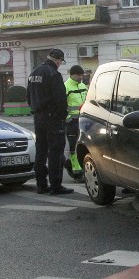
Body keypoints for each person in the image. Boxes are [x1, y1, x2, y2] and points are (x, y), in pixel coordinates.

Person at [26, 49, 72, 195]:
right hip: (53, 118)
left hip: (38, 117)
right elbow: (60, 99)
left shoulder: (34, 73)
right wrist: (62, 116)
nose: (60, 64)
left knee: (41, 151)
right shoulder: (53, 74)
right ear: (58, 60)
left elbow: (28, 96)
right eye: (61, 62)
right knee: (55, 152)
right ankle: (56, 185)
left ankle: (41, 185)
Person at [64, 64, 88, 183]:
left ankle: (74, 166)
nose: (80, 77)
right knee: (73, 147)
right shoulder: (65, 87)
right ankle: (76, 171)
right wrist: (68, 119)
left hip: (83, 121)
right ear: (72, 75)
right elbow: (62, 106)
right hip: (72, 123)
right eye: (78, 75)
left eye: (81, 75)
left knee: (84, 146)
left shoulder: (83, 86)